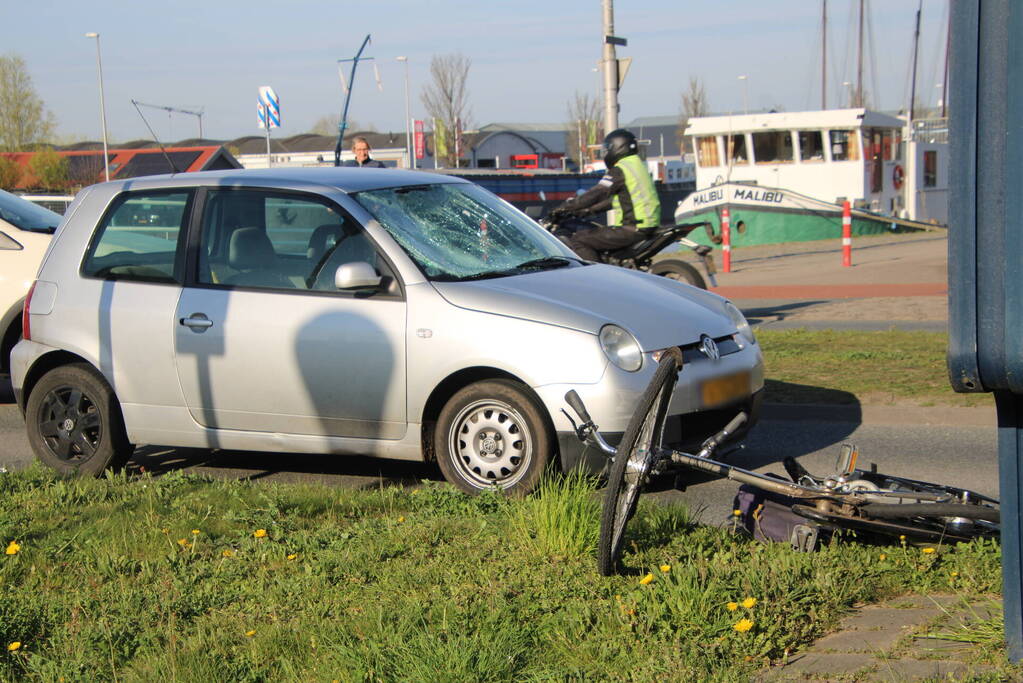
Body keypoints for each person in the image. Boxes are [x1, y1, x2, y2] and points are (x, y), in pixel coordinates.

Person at [551, 129, 660, 260]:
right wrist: (587, 211)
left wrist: (565, 207)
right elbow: (617, 201)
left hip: (633, 228)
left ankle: (596, 277)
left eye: (608, 149)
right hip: (647, 225)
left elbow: (597, 193)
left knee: (579, 239)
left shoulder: (620, 169)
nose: (606, 153)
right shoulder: (637, 165)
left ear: (618, 147)